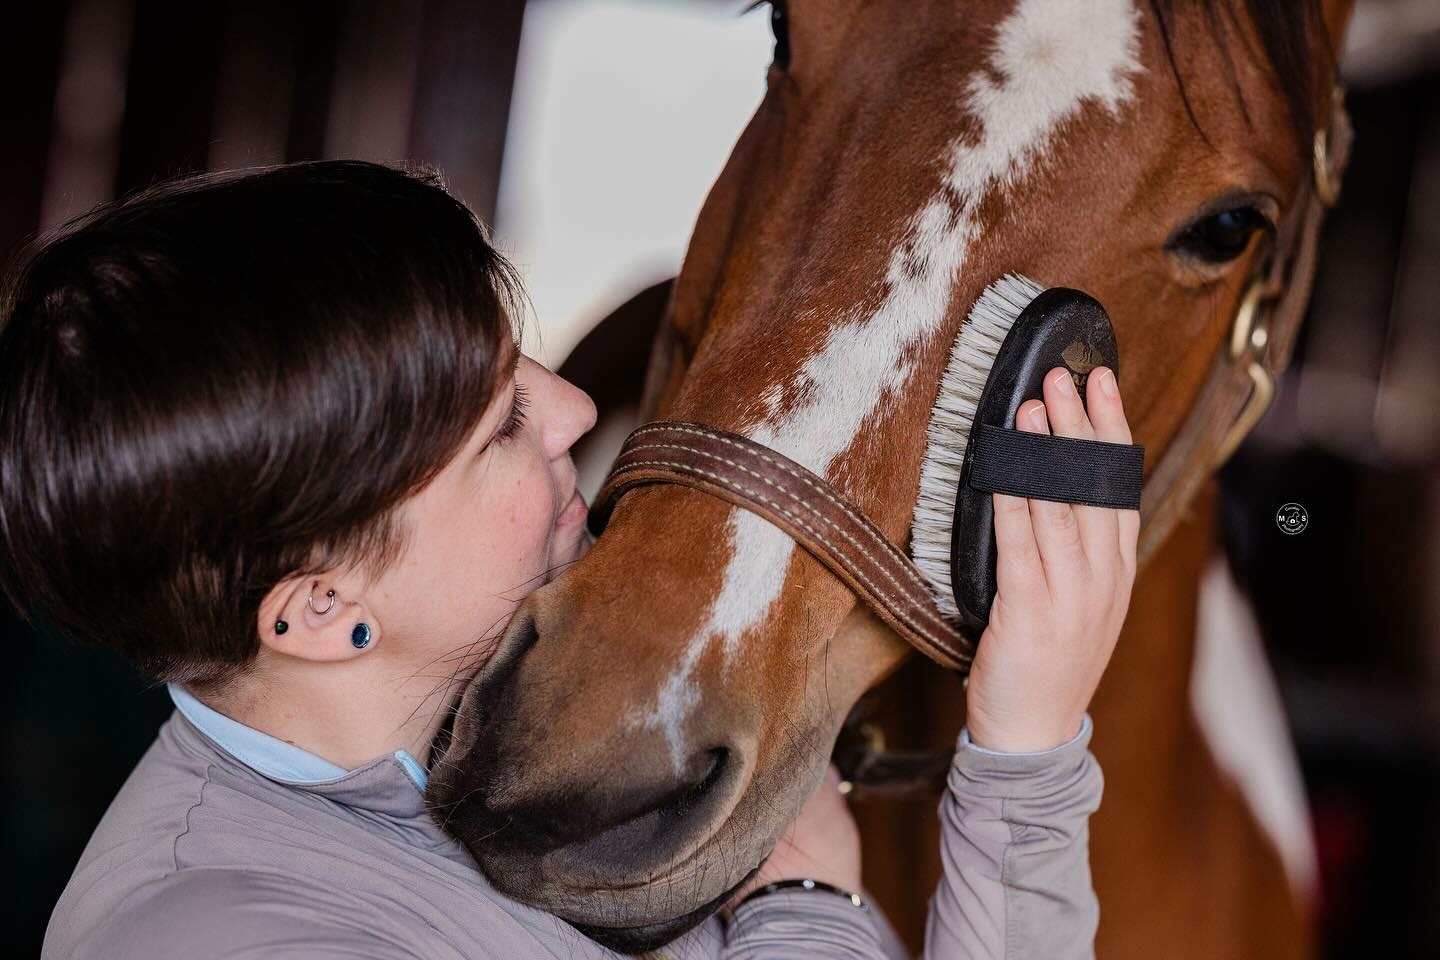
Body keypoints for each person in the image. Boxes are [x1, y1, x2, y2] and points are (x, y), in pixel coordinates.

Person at [0, 159, 1135, 960]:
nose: (577, 407)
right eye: (499, 426)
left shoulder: (546, 711)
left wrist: (1021, 743)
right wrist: (804, 906)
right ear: (319, 607)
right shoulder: (221, 936)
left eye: (524, 367)